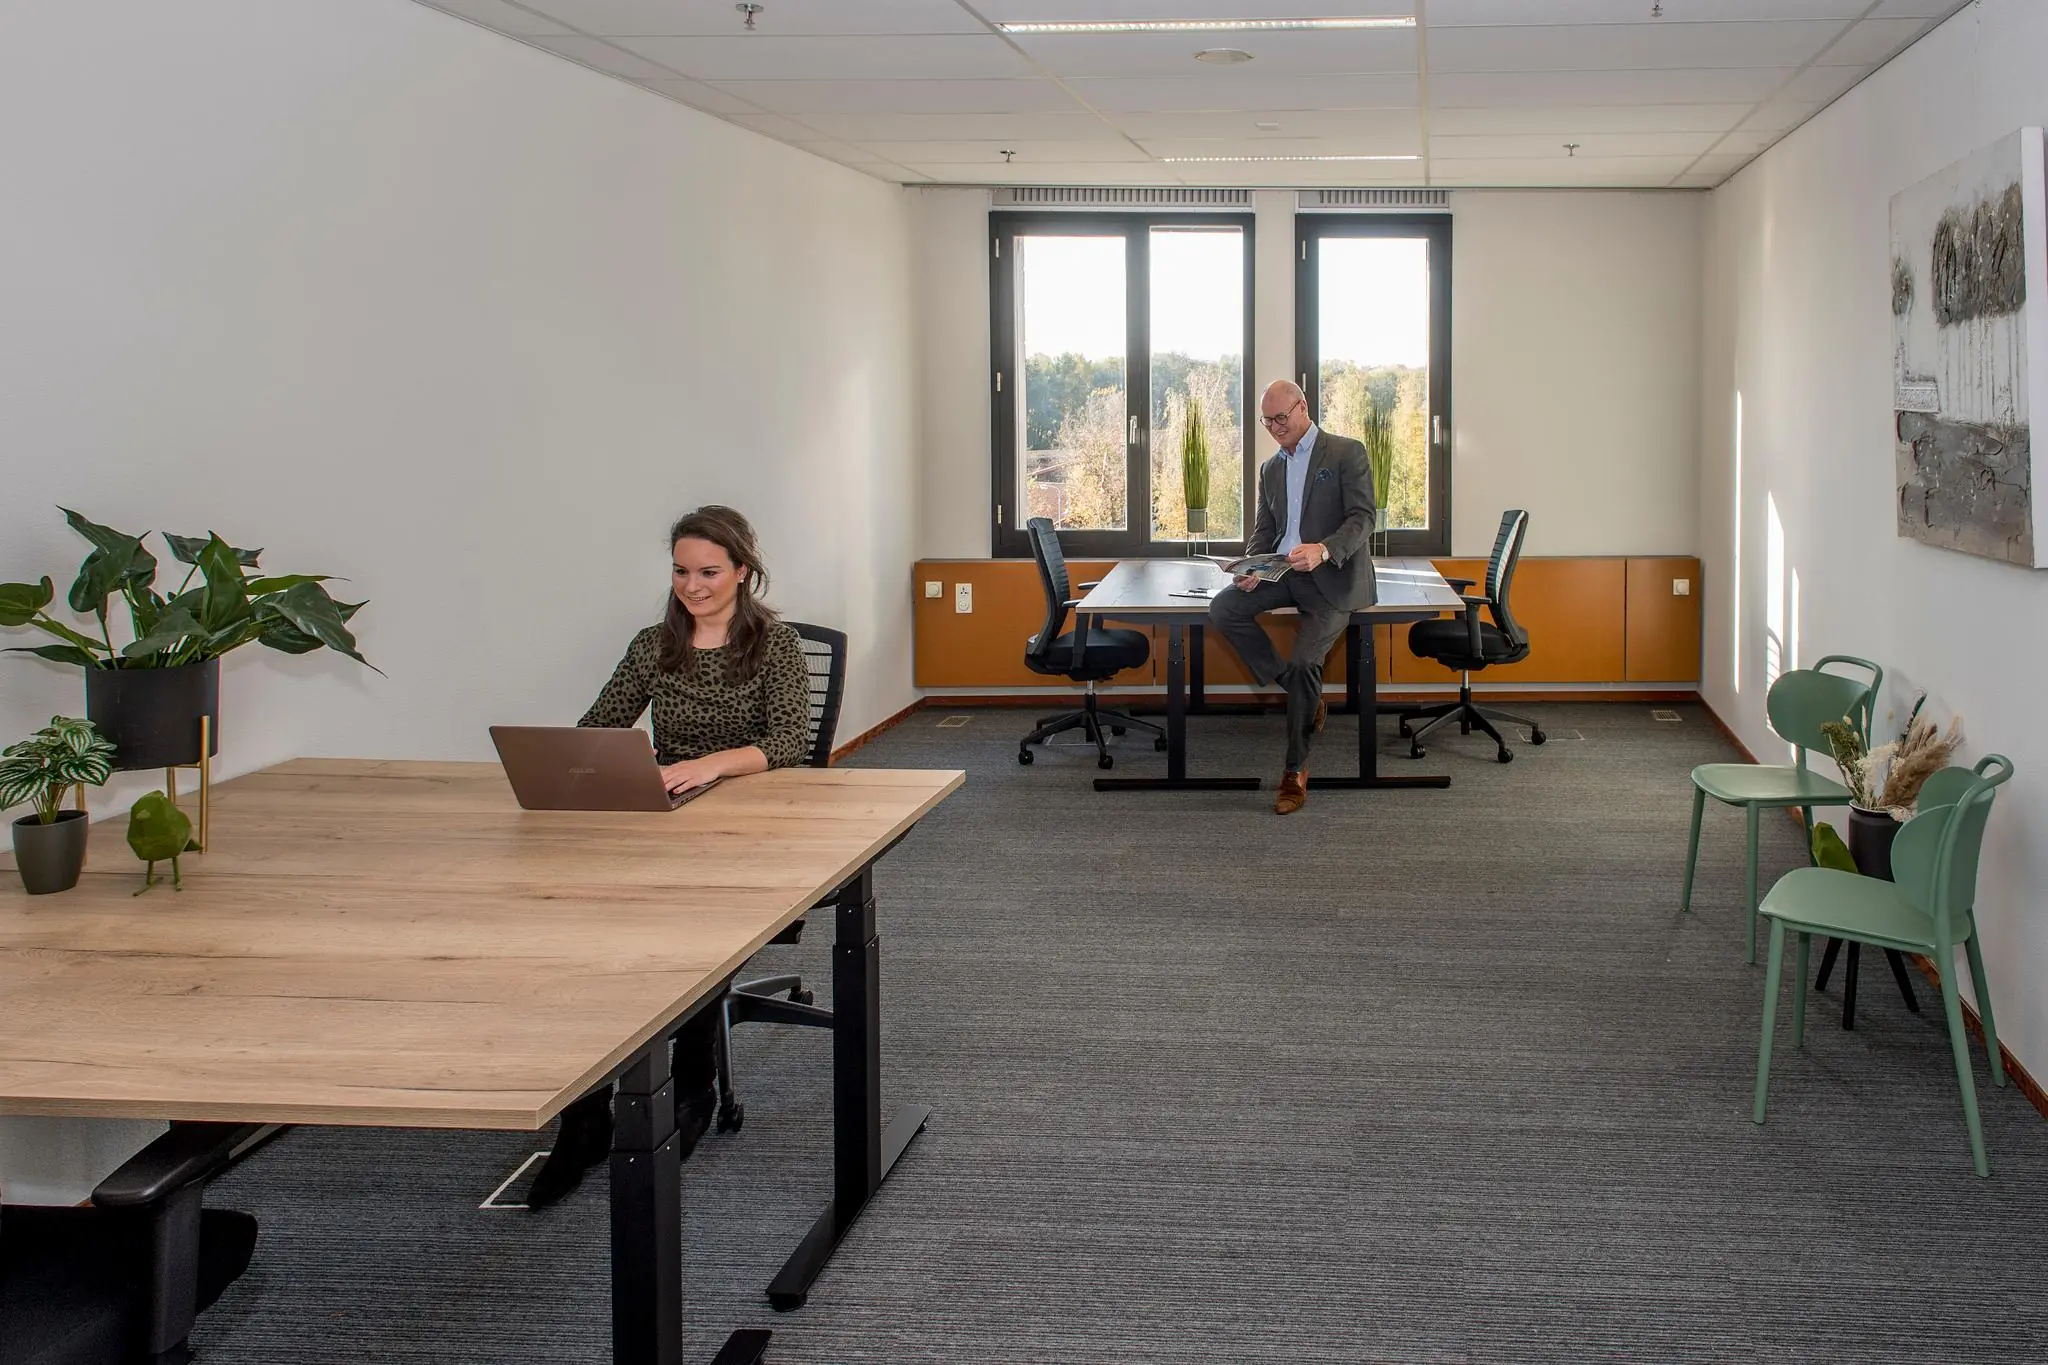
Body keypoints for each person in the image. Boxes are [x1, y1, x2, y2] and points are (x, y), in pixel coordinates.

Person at [524, 504, 813, 1210]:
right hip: (665, 813)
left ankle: (692, 1080)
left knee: (691, 923)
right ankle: (587, 1108)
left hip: (748, 820)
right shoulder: (655, 644)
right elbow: (598, 726)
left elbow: (787, 743)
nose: (693, 585)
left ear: (744, 570)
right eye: (682, 571)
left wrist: (709, 765)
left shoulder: (775, 645)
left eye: (709, 572)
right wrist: (631, 757)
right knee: (586, 926)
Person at [1206, 379, 1377, 815]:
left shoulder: (1345, 452)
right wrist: (1250, 567)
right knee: (1224, 607)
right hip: (1283, 571)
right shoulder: (1270, 469)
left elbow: (1363, 517)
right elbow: (1266, 532)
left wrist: (1323, 549)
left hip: (1332, 575)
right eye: (1268, 421)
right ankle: (1305, 695)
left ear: (1303, 407)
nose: (1276, 427)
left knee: (1305, 662)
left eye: (1282, 417)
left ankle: (1295, 770)